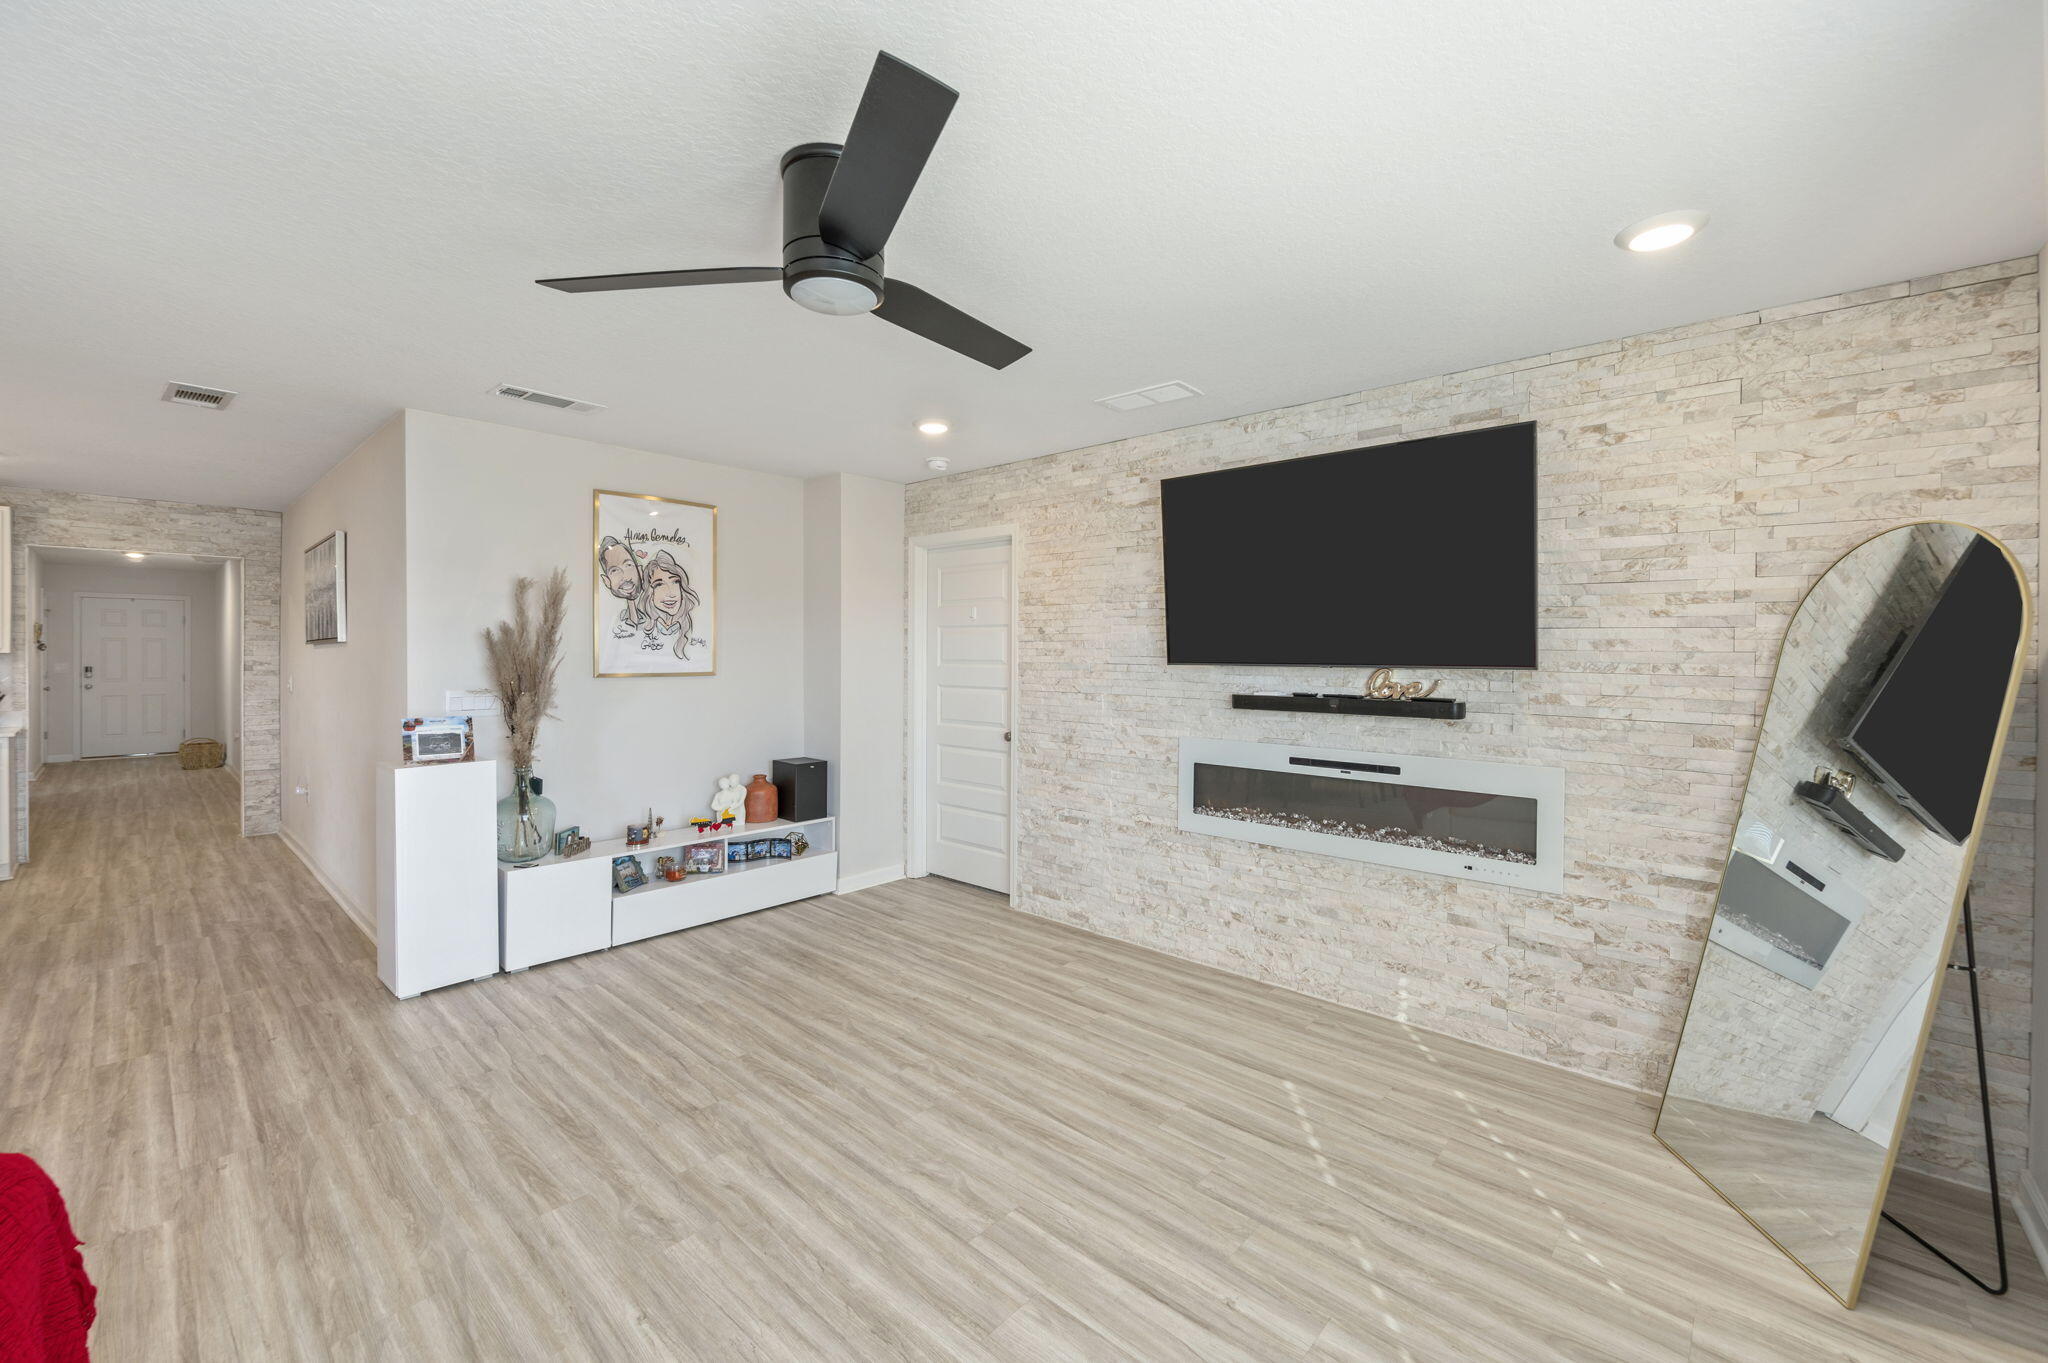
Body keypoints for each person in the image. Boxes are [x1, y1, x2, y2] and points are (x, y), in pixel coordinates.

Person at [642, 549, 702, 660]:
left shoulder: (693, 629)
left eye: (675, 582)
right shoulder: (642, 629)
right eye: (659, 584)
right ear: (650, 593)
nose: (671, 593)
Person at [597, 536, 648, 638]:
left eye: (628, 565)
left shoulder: (656, 616)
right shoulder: (612, 623)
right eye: (614, 570)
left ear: (640, 571)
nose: (625, 577)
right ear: (607, 581)